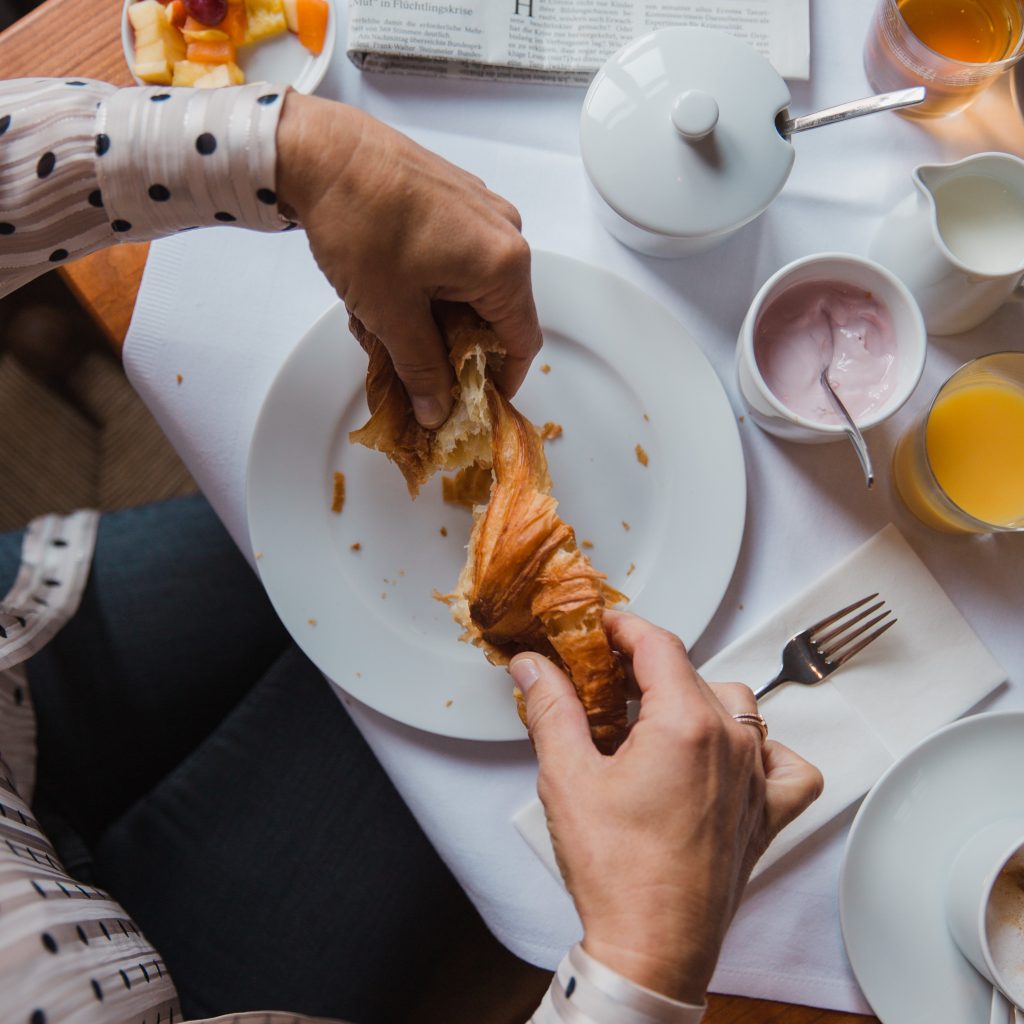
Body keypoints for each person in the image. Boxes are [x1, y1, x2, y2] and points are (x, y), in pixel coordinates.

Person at [0, 78, 823, 1023]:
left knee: (273, 569)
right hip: (184, 985)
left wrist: (298, 151)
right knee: (407, 767)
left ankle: (60, 355)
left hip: (25, 640)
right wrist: (651, 954)